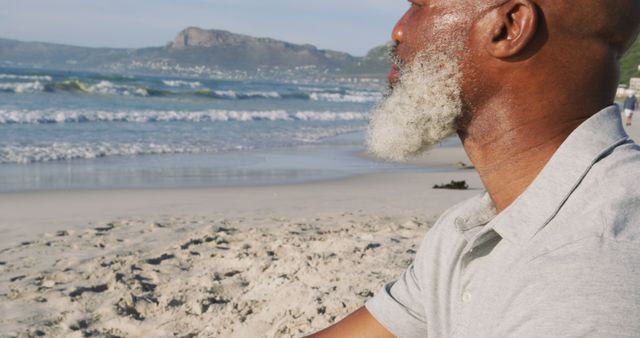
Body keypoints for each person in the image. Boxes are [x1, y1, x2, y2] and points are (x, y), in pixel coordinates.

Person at [306, 0, 640, 337]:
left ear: (508, 27)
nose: (398, 30)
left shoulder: (592, 269)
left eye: (420, 6)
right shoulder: (466, 229)